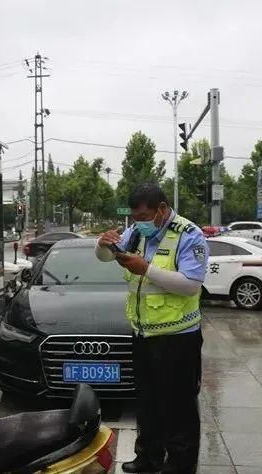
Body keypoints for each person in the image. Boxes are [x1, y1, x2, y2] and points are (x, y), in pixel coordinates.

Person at [96, 182, 207, 474]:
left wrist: (146, 269)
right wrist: (103, 244)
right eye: (134, 218)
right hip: (143, 332)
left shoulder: (189, 234)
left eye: (144, 217)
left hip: (178, 337)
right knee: (146, 400)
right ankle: (148, 456)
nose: (138, 223)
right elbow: (107, 257)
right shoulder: (136, 232)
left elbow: (191, 284)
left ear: (162, 209)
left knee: (179, 405)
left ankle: (180, 465)